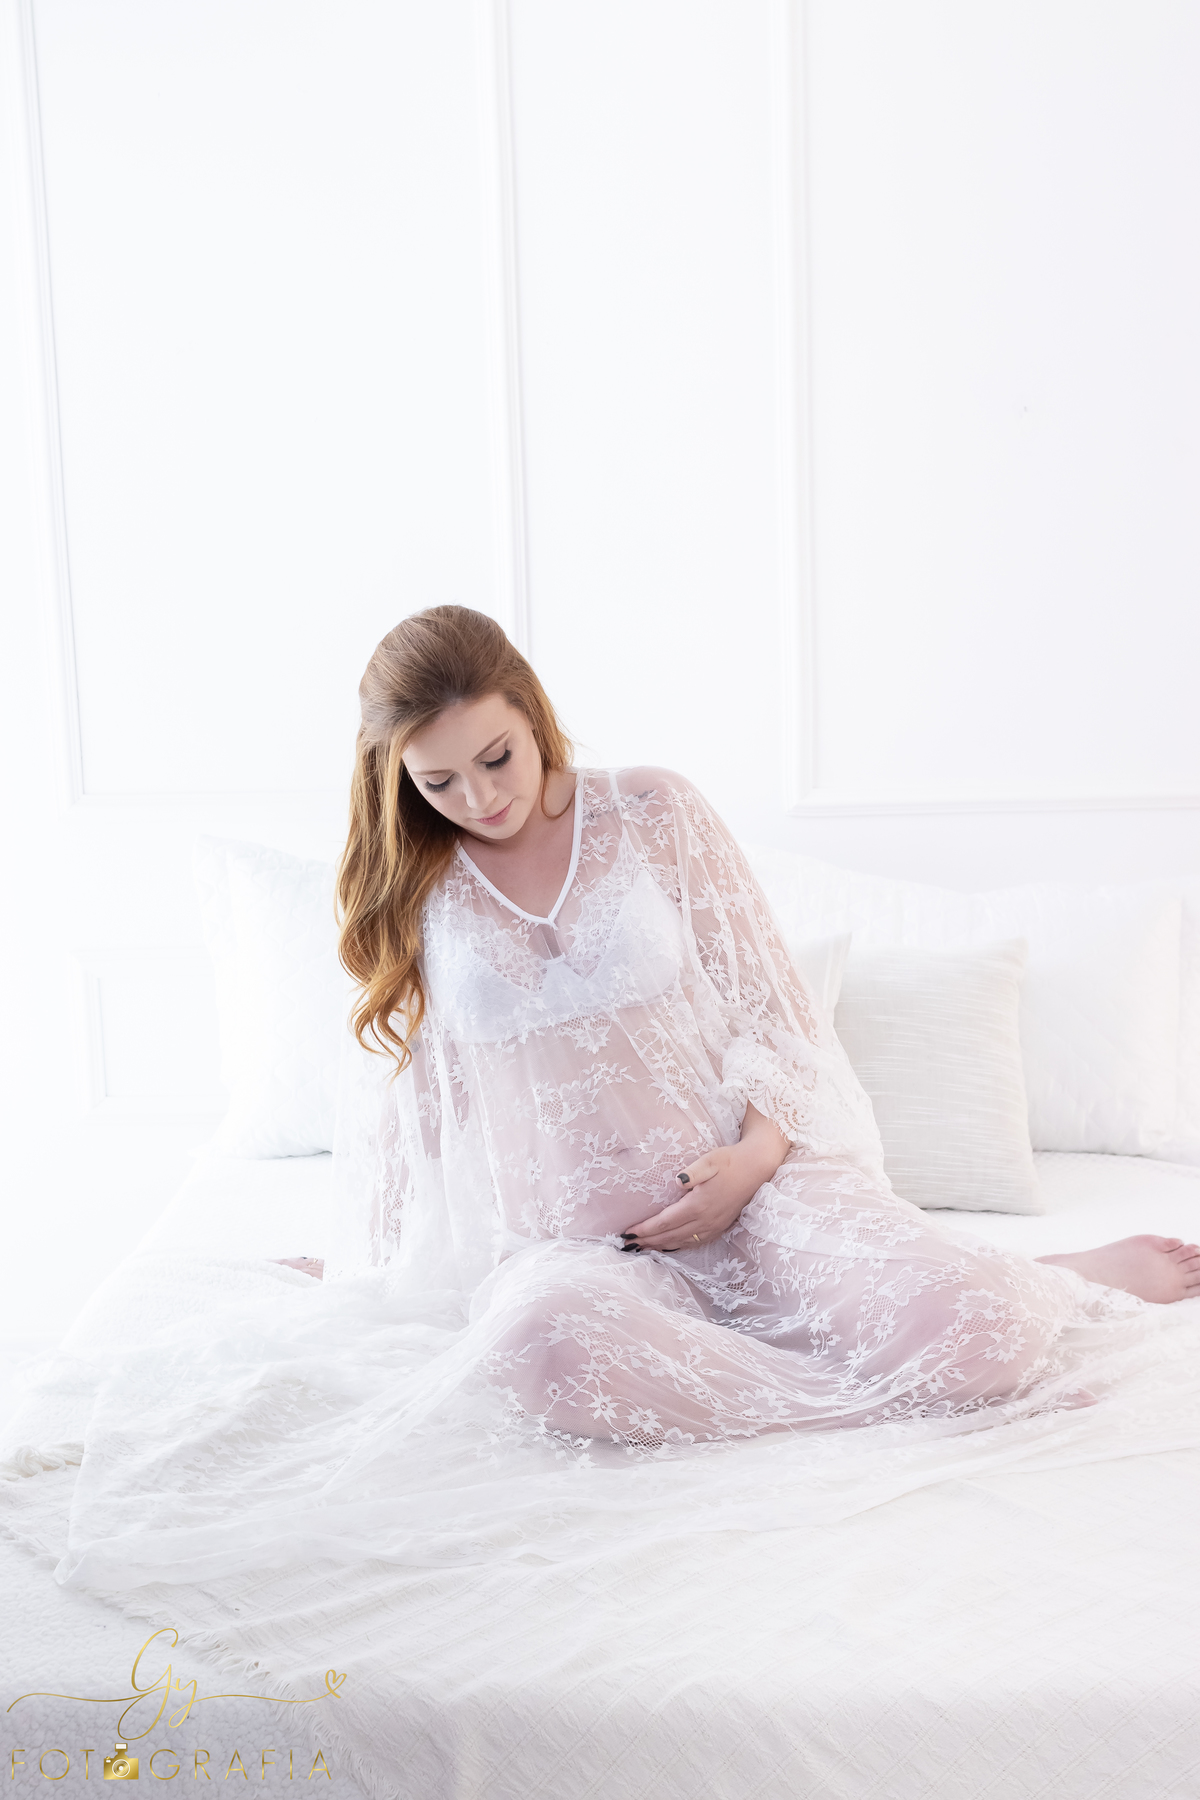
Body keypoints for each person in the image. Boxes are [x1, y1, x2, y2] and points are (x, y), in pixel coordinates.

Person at [286, 605, 1200, 1453]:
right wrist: (363, 1273)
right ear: (395, 775)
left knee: (980, 1319)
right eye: (438, 780)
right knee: (538, 1350)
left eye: (498, 757)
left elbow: (777, 1014)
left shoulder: (651, 811)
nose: (481, 797)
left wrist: (754, 1162)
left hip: (760, 1201)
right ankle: (898, 1401)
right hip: (579, 1257)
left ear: (531, 713)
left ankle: (1046, 1283)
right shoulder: (413, 892)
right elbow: (413, 1116)